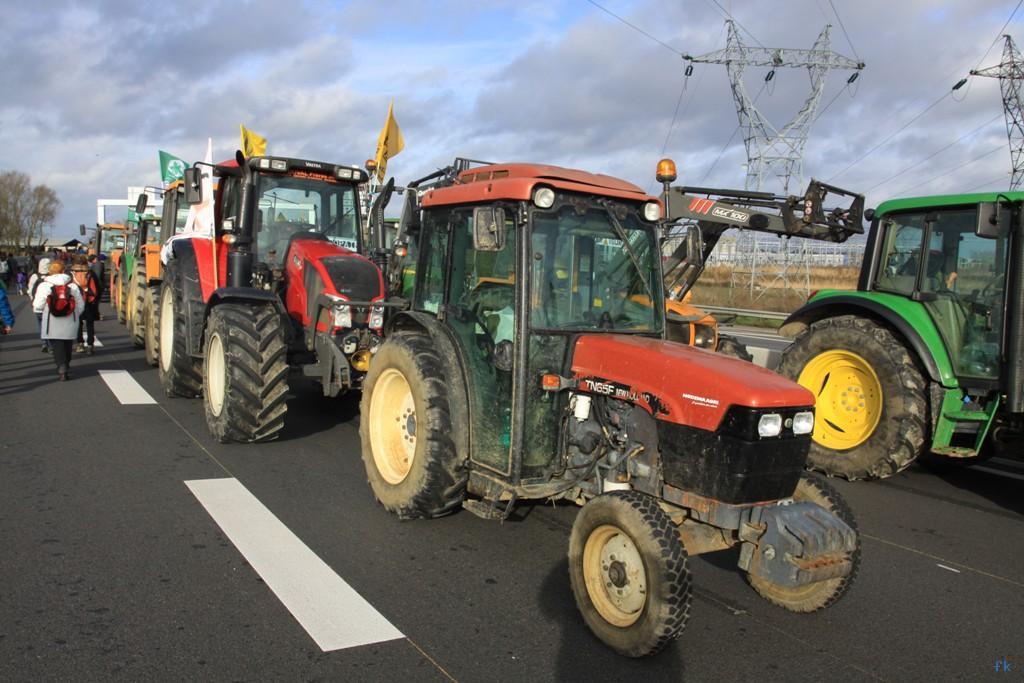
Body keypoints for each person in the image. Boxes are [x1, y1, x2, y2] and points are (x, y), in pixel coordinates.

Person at [33, 260, 84, 381]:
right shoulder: (72, 286)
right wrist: (75, 314)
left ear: (50, 271)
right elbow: (80, 305)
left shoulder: (44, 285)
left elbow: (38, 305)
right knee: (67, 344)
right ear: (63, 270)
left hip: (52, 320)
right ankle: (66, 363)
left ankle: (61, 367)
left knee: (57, 345)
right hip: (70, 319)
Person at [71, 257, 100, 354]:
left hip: (76, 301)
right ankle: (90, 346)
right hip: (89, 301)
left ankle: (80, 344)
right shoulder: (90, 274)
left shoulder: (72, 274)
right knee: (90, 324)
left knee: (78, 324)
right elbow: (98, 287)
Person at [28, 257, 52, 352]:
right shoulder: (52, 277)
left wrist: (33, 301)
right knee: (49, 325)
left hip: (38, 305)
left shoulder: (35, 276)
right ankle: (50, 345)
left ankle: (44, 343)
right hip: (49, 305)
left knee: (41, 324)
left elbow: (30, 290)